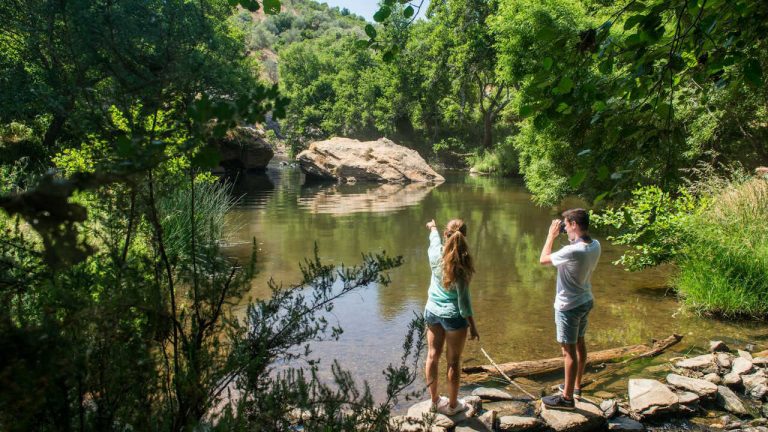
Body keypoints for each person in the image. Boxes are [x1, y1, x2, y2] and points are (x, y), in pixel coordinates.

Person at [538, 208, 601, 410]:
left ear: (574, 224)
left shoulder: (572, 251)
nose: (563, 227)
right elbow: (576, 247)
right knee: (580, 343)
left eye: (566, 224)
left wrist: (550, 236)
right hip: (585, 300)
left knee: (568, 352)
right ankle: (575, 387)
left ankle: (566, 399)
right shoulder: (594, 245)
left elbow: (543, 259)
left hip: (569, 306)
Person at [423, 218, 479, 416]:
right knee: (453, 361)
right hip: (454, 317)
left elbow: (433, 241)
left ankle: (434, 401)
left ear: (446, 234)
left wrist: (433, 227)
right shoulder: (462, 266)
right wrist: (472, 326)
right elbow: (464, 303)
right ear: (465, 237)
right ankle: (453, 406)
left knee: (432, 355)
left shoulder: (434, 255)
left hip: (433, 312)